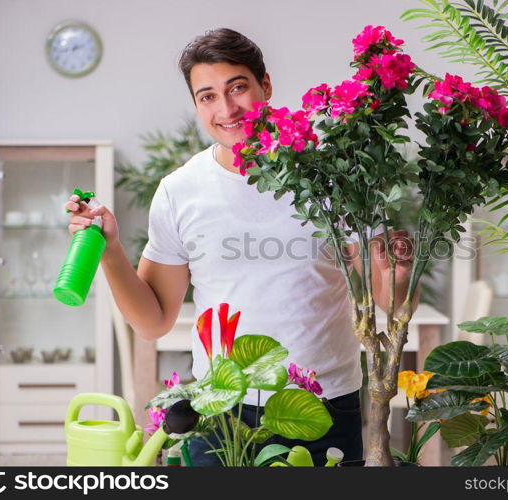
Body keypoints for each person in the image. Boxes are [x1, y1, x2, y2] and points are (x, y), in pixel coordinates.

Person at [65, 27, 418, 466]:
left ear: (265, 85)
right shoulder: (180, 191)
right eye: (207, 96)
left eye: (237, 88)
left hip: (322, 404)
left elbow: (388, 299)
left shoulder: (333, 178)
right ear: (196, 105)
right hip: (219, 412)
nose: (227, 108)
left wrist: (399, 273)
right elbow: (154, 321)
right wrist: (111, 251)